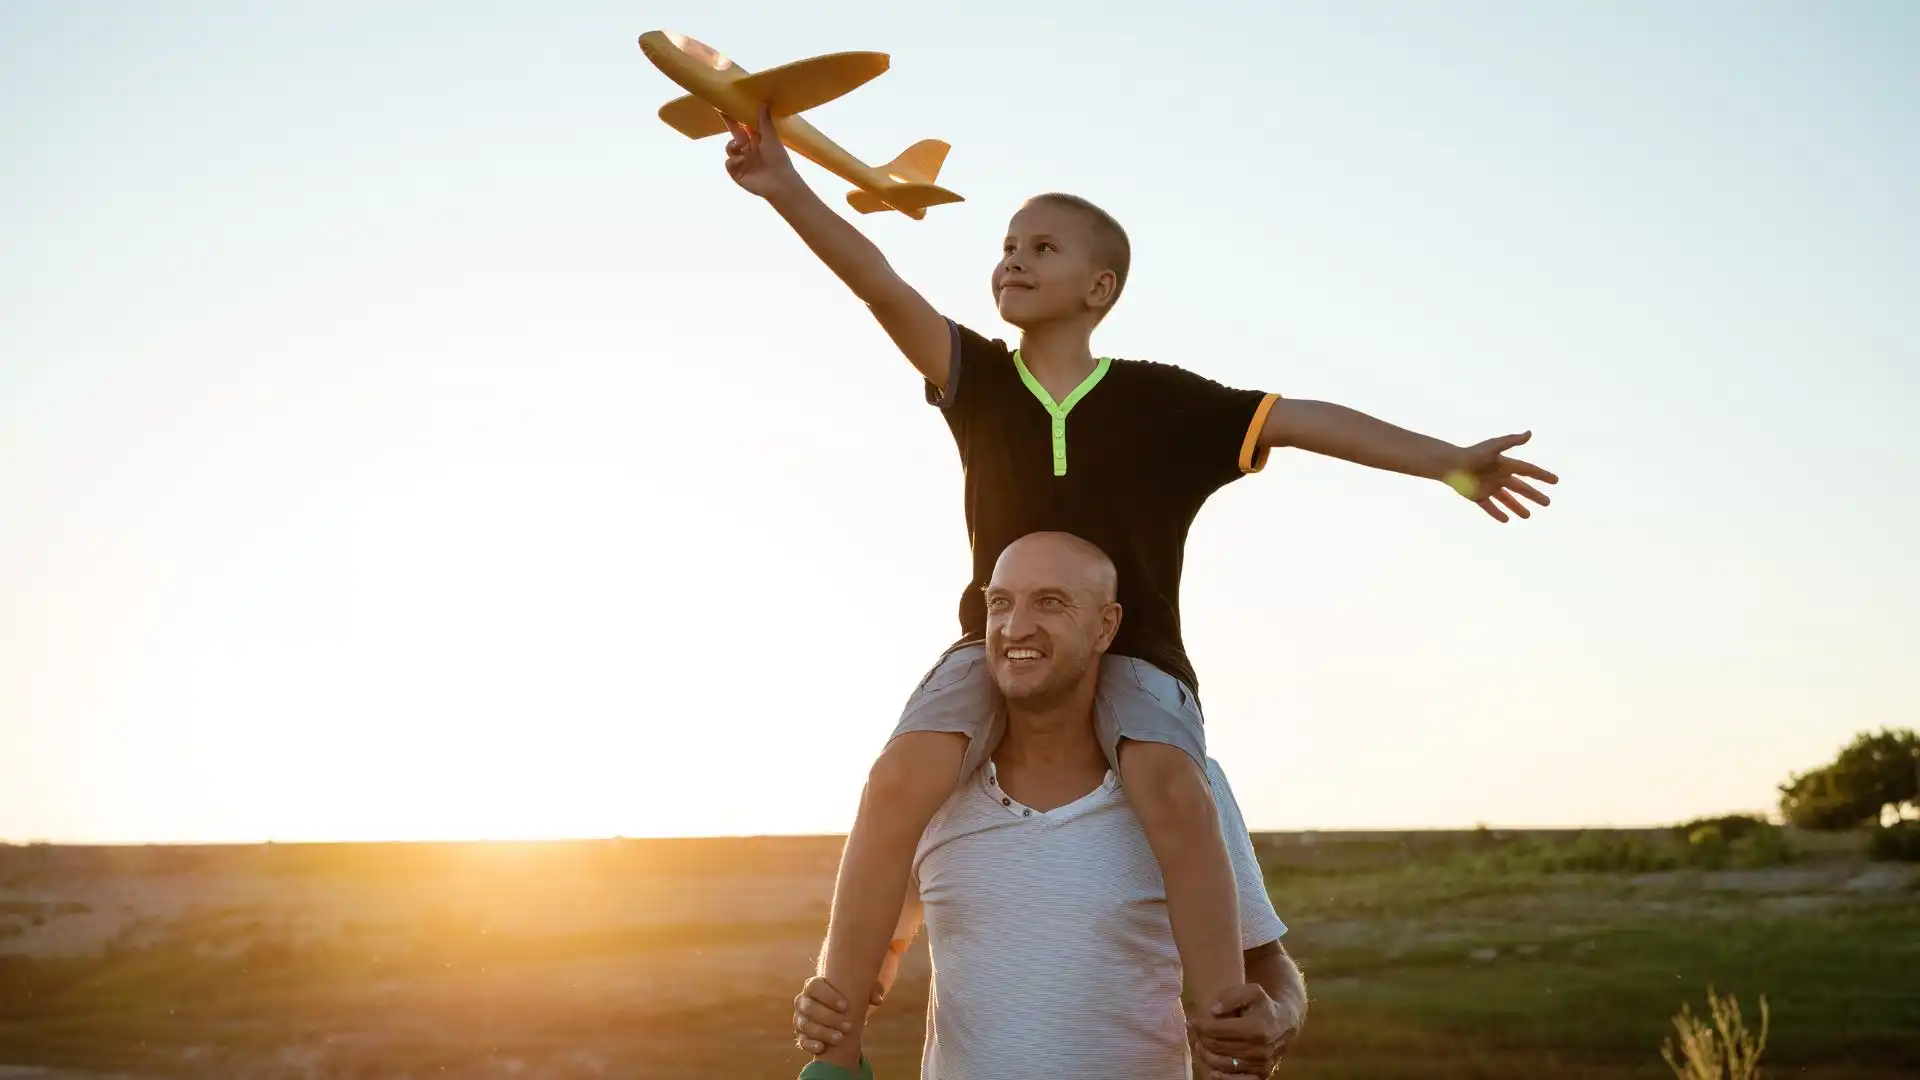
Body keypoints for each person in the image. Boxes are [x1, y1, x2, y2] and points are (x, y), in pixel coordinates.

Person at [715, 101, 1558, 1079]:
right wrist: (783, 186)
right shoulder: (978, 381)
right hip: (997, 645)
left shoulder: (1163, 403)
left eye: (1042, 247)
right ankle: (838, 1052)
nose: (1013, 260)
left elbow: (1303, 419)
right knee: (897, 776)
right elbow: (878, 283)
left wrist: (1448, 463)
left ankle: (1225, 1034)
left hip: (1140, 651)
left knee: (1169, 786)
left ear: (1099, 286)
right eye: (1007, 246)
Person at [792, 532, 1307, 1079]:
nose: (1016, 627)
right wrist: (830, 1000)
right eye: (1000, 603)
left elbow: (1263, 960)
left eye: (1050, 603)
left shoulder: (1185, 788)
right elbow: (884, 944)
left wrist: (1281, 1015)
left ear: (1106, 626)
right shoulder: (935, 789)